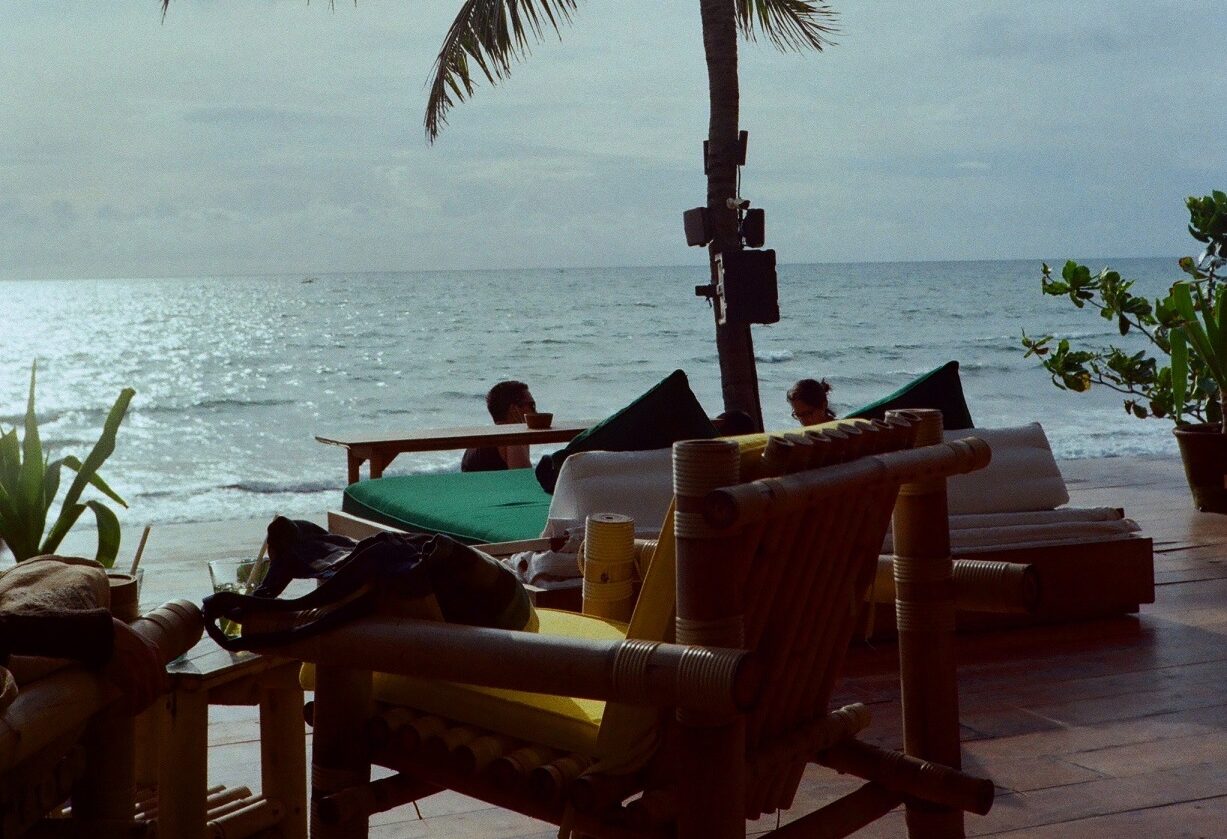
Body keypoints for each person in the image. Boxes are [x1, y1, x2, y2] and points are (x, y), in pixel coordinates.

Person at [461, 380, 538, 472]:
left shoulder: (478, 443)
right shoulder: (512, 439)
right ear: (514, 409)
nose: (536, 412)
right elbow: (524, 478)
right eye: (532, 406)